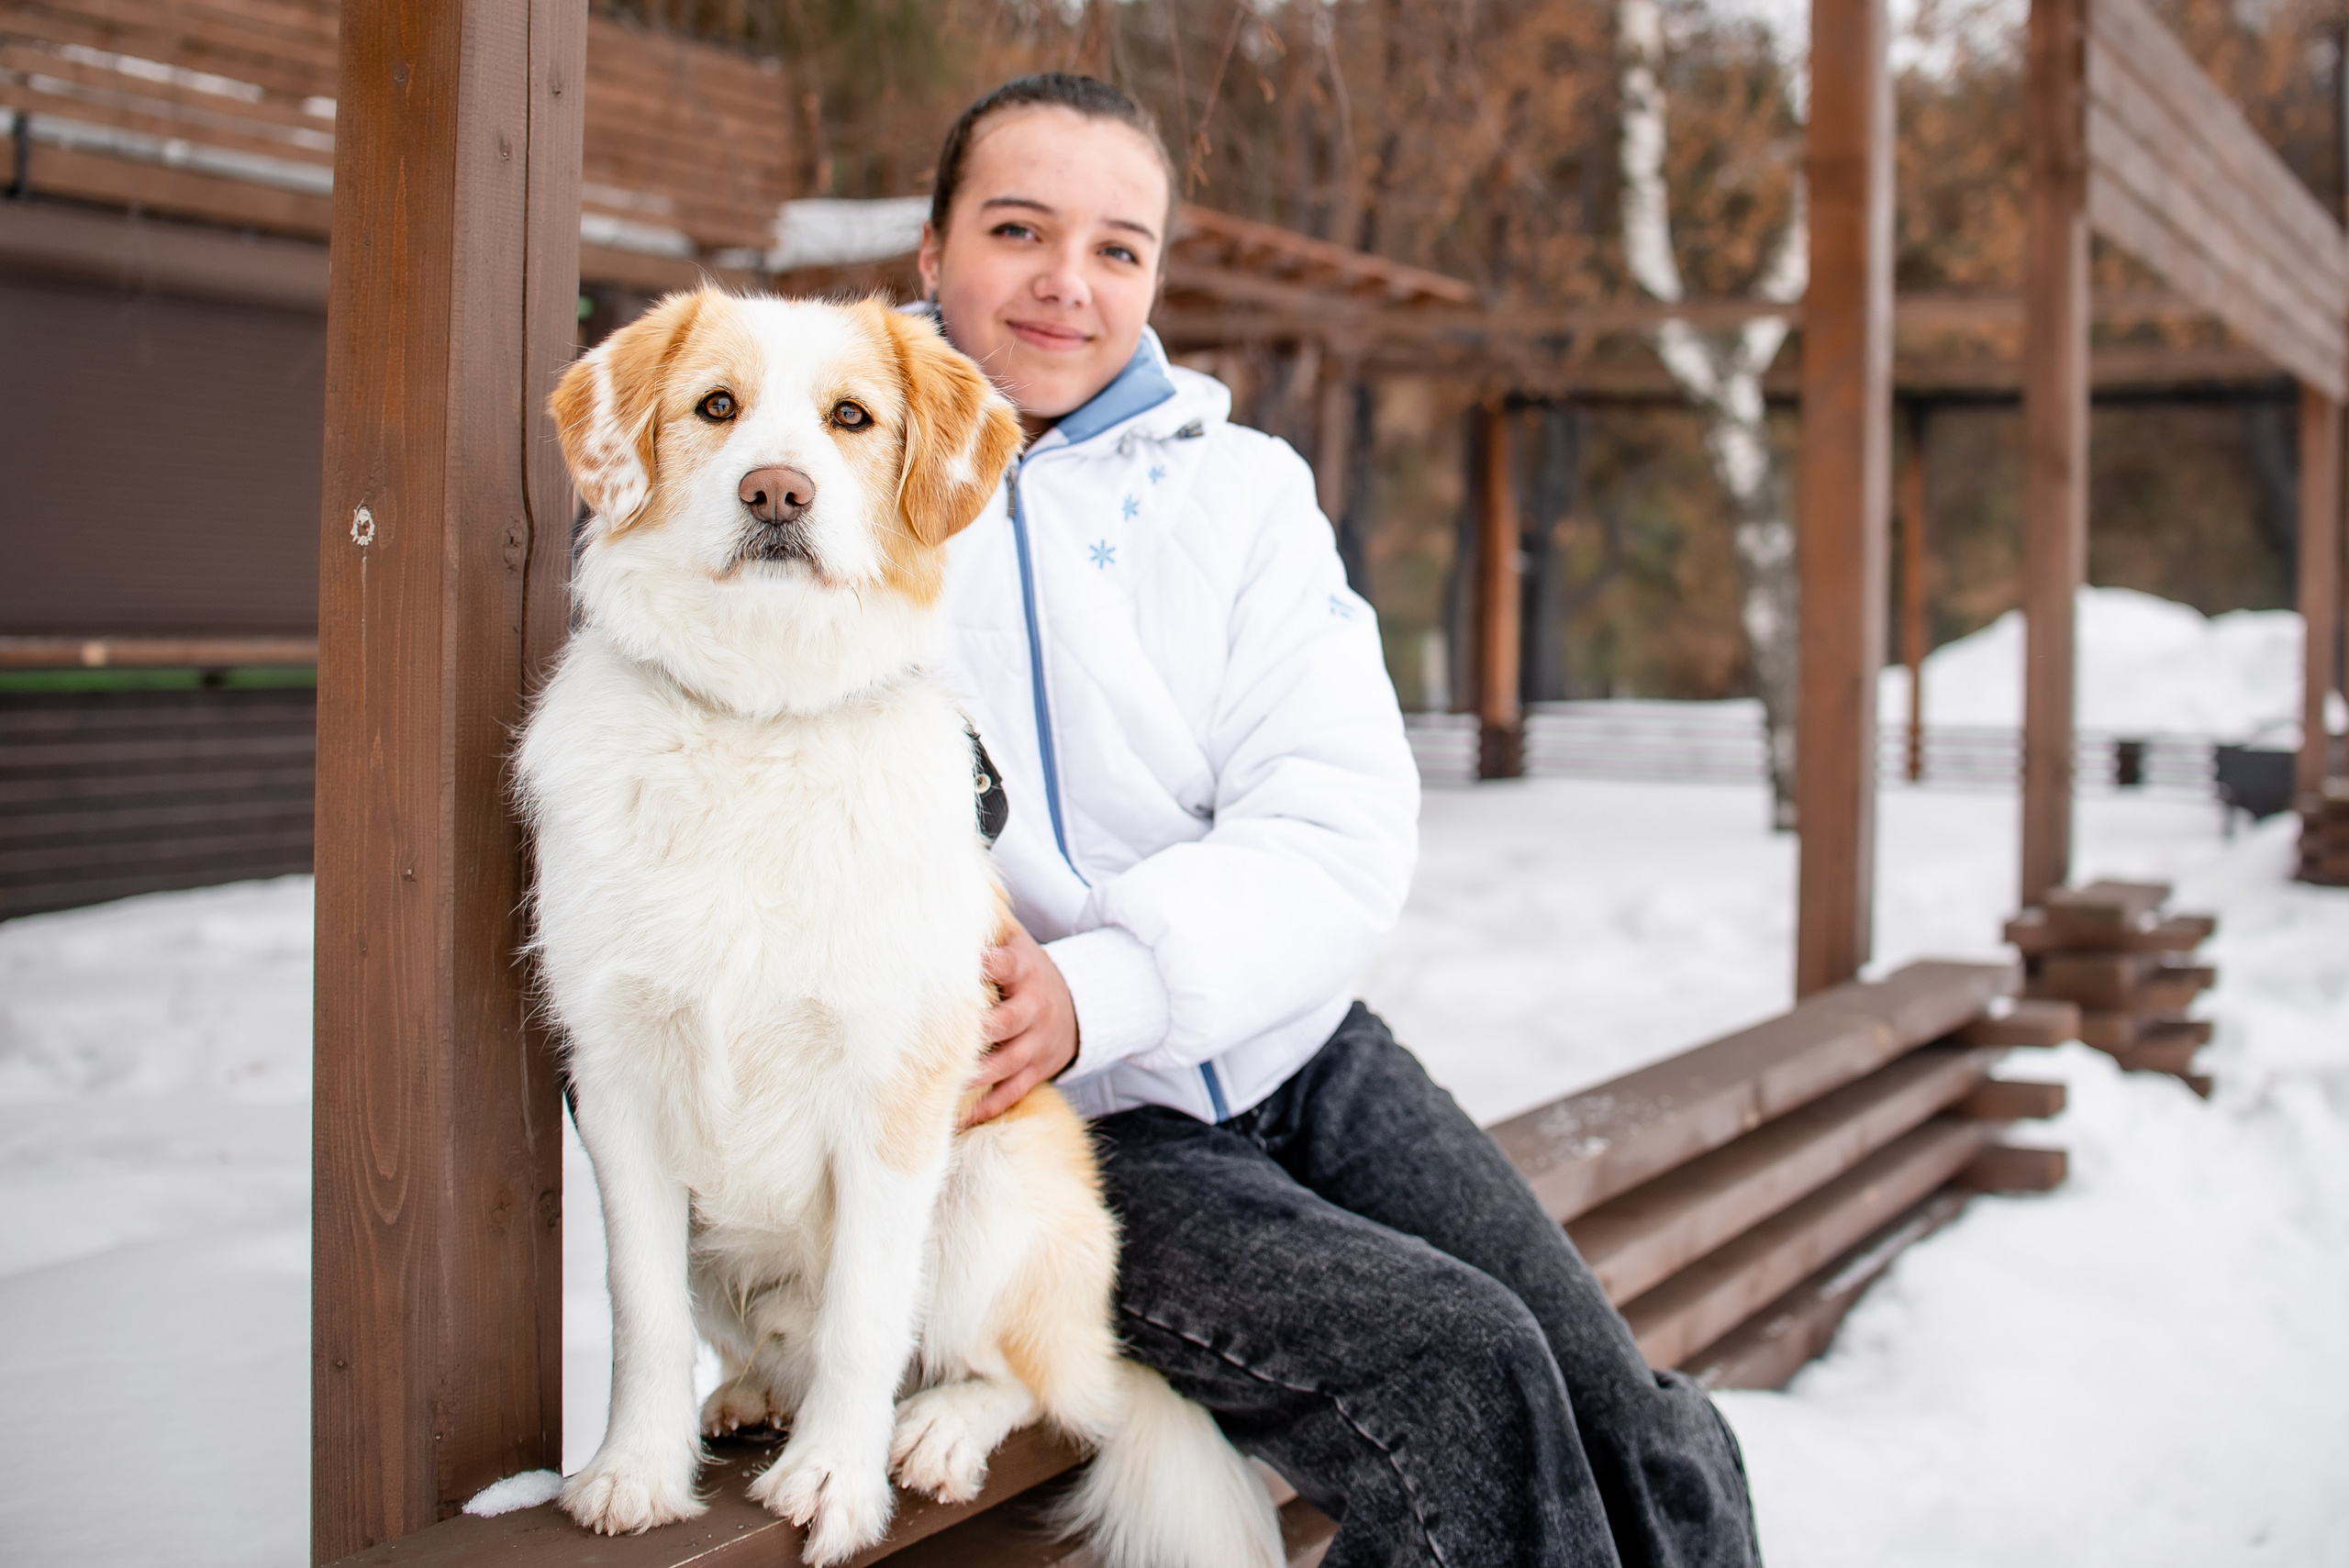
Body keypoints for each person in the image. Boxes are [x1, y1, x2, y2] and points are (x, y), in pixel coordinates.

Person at [920, 72, 1761, 1568]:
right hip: (1074, 1135)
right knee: (1462, 1370)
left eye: (1120, 246)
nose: (1069, 282)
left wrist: (1105, 980)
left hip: (1302, 1049)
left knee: (1630, 1418)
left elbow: (1338, 812)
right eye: (1018, 229)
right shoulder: (857, 470)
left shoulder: (1241, 493)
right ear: (933, 255)